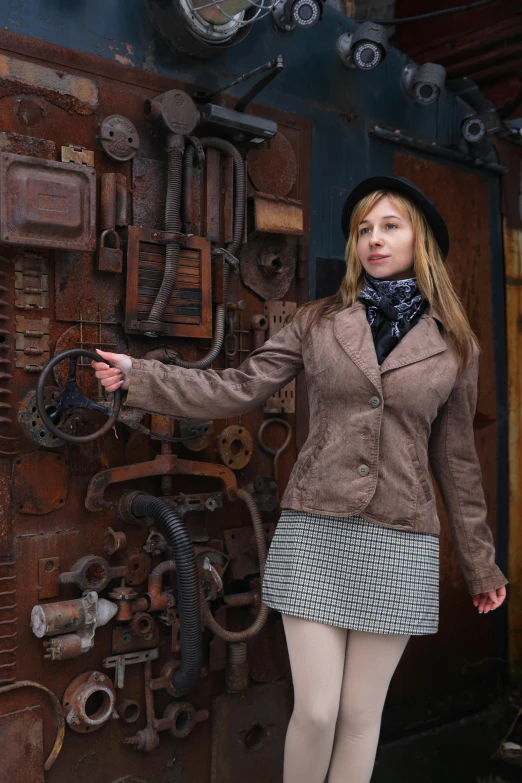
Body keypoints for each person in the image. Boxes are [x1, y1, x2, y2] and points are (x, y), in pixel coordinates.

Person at [92, 175, 508, 783]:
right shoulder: (319, 322)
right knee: (316, 710)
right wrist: (142, 376)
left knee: (362, 716)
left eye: (390, 226)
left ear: (421, 239)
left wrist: (480, 563)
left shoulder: (453, 345)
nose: (373, 240)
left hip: (400, 538)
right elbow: (237, 387)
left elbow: (458, 462)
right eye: (363, 229)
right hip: (316, 530)